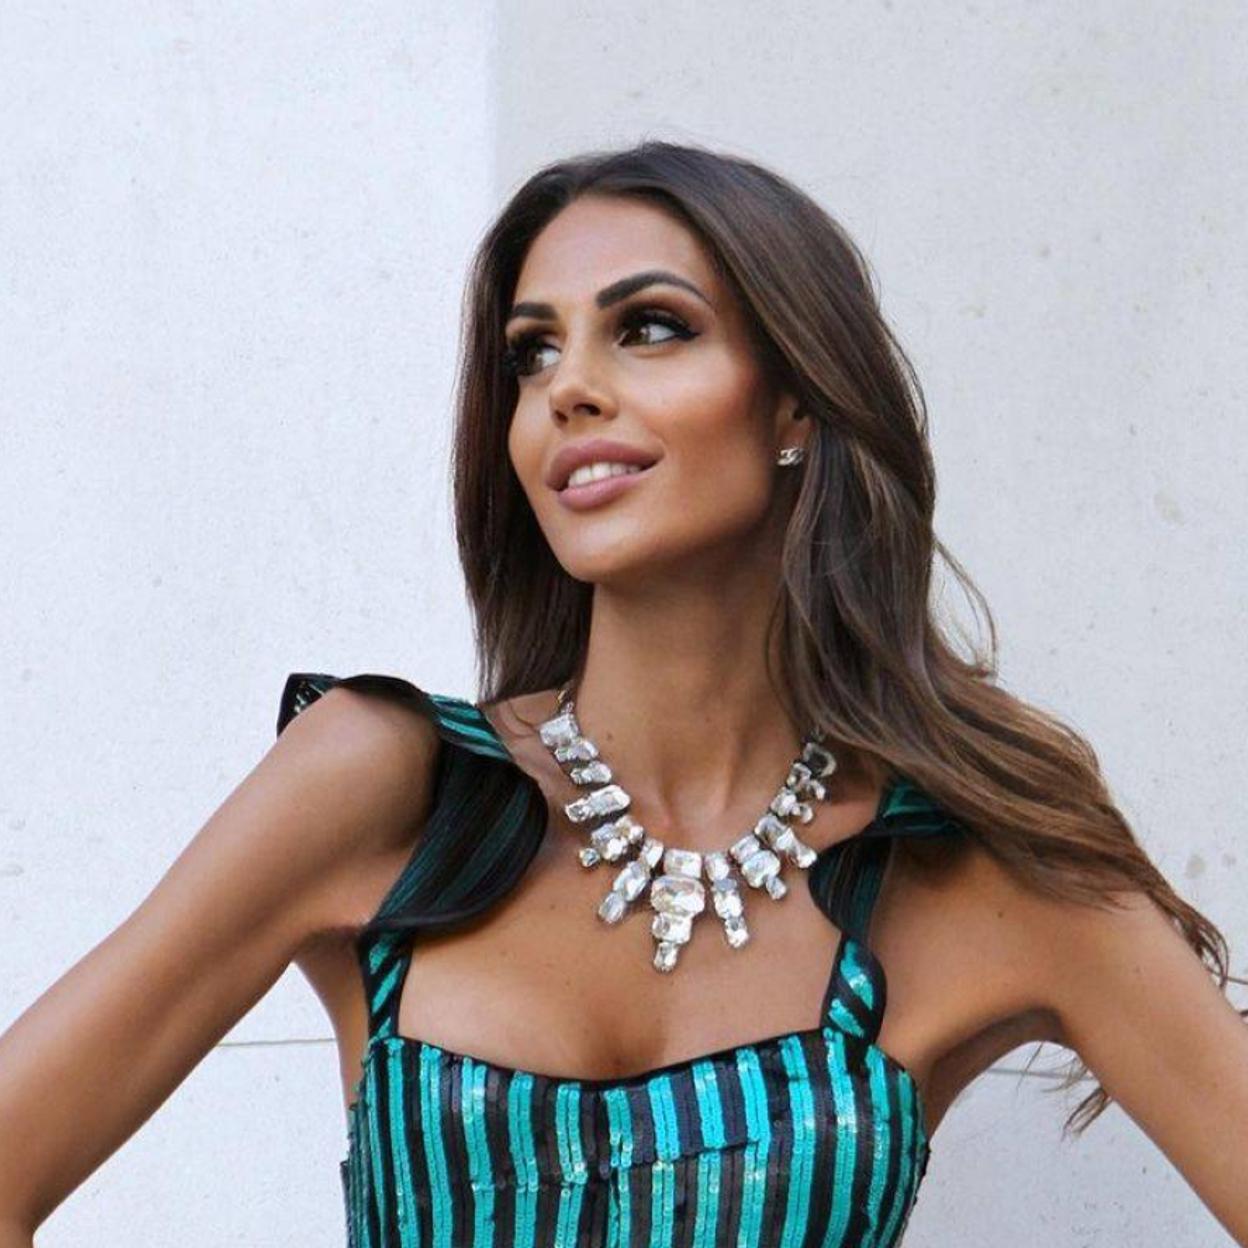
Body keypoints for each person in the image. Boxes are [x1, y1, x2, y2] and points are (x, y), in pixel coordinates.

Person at [1, 140, 1244, 1248]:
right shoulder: (385, 785)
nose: (568, 388)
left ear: (796, 400)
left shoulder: (979, 874)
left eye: (649, 327)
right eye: (532, 352)